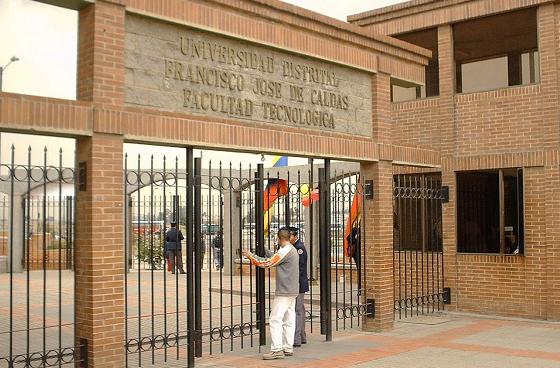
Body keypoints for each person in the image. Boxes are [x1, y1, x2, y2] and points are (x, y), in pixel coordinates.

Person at [242, 227, 299, 360]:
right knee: (289, 319)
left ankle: (277, 349)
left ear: (279, 239)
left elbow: (266, 263)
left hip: (284, 291)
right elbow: (274, 258)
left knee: (275, 319)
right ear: (289, 237)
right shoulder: (291, 249)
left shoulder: (285, 251)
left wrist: (250, 255)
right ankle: (287, 347)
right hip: (292, 289)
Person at [288, 226, 308, 347]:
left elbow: (299, 269)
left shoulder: (299, 248)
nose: (288, 238)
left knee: (297, 311)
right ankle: (302, 336)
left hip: (298, 284)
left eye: (289, 236)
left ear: (295, 236)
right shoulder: (293, 247)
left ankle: (297, 339)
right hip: (297, 283)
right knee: (300, 310)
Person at [346, 225, 361, 294]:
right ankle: (360, 289)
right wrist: (356, 240)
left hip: (364, 254)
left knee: (362, 272)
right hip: (357, 254)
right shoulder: (356, 230)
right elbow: (348, 238)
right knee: (360, 271)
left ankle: (361, 289)